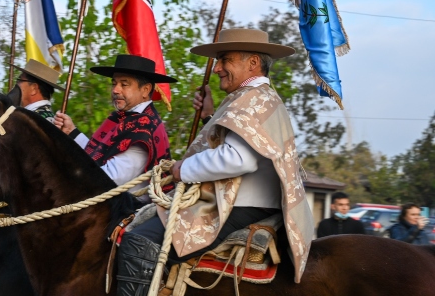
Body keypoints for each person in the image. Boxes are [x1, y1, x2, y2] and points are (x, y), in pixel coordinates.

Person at [115, 28, 315, 295]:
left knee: (138, 241)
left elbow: (239, 159)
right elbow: (240, 144)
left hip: (240, 206)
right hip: (241, 202)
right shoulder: (256, 99)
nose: (218, 68)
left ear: (253, 63)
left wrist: (181, 169)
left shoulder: (252, 100)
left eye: (225, 60)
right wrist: (210, 116)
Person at [54, 54, 177, 196]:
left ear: (145, 90)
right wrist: (72, 132)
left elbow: (108, 178)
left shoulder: (144, 128)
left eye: (124, 84)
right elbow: (98, 157)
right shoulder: (124, 118)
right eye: (114, 83)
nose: (115, 90)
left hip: (127, 212)